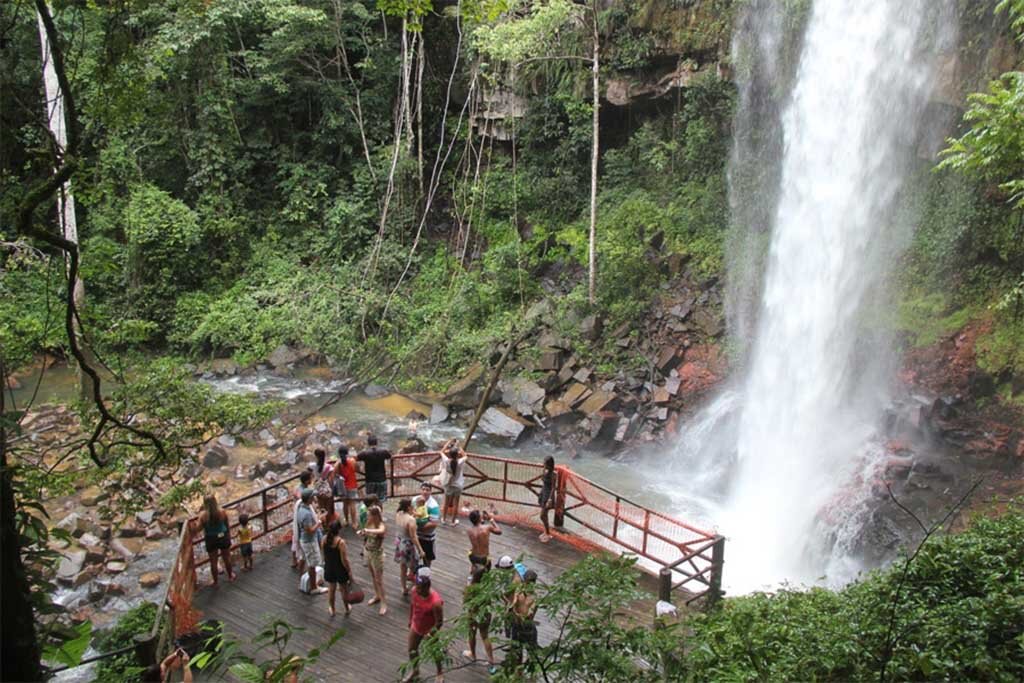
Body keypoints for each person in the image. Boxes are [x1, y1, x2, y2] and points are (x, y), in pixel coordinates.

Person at [404, 567, 444, 683]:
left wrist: (431, 633)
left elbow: (439, 622)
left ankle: (439, 672)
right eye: (417, 586)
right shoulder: (414, 591)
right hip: (416, 625)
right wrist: (410, 619)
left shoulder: (435, 602)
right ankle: (415, 671)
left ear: (427, 587)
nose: (417, 590)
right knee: (412, 649)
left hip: (430, 629)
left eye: (420, 588)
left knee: (435, 651)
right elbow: (412, 605)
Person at [462, 565, 497, 674]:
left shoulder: (471, 587)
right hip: (485, 613)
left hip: (473, 614)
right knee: (485, 636)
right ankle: (491, 660)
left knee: (472, 633)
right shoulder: (488, 586)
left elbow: (466, 601)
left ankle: (473, 654)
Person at [195, 495, 235, 585]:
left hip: (211, 539)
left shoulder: (203, 516)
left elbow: (198, 529)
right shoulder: (222, 512)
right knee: (226, 558)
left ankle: (216, 582)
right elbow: (227, 525)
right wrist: (229, 536)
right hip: (223, 536)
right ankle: (230, 576)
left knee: (213, 561)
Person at [357, 504, 388, 615]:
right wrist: (363, 533)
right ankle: (377, 595)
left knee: (379, 580)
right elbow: (366, 534)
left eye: (369, 515)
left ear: (375, 516)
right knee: (373, 576)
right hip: (368, 551)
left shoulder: (381, 525)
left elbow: (380, 531)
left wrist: (368, 531)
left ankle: (384, 603)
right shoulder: (368, 523)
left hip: (377, 554)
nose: (367, 516)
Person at [506, 569, 539, 673]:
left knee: (532, 655)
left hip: (527, 627)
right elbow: (511, 606)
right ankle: (518, 674)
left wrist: (514, 612)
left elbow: (530, 614)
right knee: (517, 654)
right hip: (517, 626)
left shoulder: (533, 597)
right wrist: (511, 607)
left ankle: (530, 675)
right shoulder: (518, 593)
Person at [296, 489, 327, 594]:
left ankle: (301, 580)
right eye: (312, 497)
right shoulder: (306, 514)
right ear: (309, 499)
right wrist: (319, 522)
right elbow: (310, 530)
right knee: (312, 564)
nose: (314, 498)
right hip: (309, 541)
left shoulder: (301, 508)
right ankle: (314, 587)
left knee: (304, 559)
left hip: (303, 540)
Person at [322, 520, 354, 617]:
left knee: (332, 588)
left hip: (329, 566)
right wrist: (349, 570)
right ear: (339, 530)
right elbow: (344, 559)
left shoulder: (324, 539)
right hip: (339, 568)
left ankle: (332, 608)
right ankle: (347, 608)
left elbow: (323, 554)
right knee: (344, 589)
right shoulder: (340, 542)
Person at [394, 498, 425, 597]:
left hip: (399, 542)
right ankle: (418, 588)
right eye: (412, 505)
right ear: (408, 507)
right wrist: (420, 550)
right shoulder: (411, 520)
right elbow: (413, 537)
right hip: (407, 545)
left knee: (403, 567)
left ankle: (404, 588)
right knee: (414, 568)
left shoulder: (398, 514)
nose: (413, 506)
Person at [412, 482, 441, 568]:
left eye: (427, 490)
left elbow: (434, 523)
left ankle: (426, 573)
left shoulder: (433, 505)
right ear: (420, 490)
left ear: (431, 492)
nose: (425, 492)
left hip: (427, 536)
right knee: (413, 555)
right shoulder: (414, 500)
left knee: (428, 557)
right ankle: (412, 573)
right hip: (415, 535)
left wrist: (418, 528)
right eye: (423, 489)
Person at [438, 443, 467, 526]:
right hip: (458, 485)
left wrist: (448, 443)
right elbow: (465, 455)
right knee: (456, 504)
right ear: (457, 455)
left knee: (446, 503)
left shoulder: (446, 460)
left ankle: (443, 519)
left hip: (448, 485)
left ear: (449, 455)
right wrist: (460, 447)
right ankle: (453, 521)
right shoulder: (460, 461)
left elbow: (441, 451)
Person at [357, 434, 392, 502]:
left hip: (370, 480)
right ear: (377, 442)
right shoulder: (383, 451)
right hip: (381, 479)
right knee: (381, 500)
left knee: (370, 500)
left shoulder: (365, 453)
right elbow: (390, 456)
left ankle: (372, 512)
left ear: (368, 443)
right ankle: (379, 511)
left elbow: (357, 457)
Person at [291, 470, 314, 570]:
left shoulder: (297, 487)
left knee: (295, 537)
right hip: (302, 516)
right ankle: (301, 561)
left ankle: (294, 560)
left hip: (296, 514)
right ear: (306, 481)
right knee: (301, 537)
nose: (311, 480)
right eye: (310, 478)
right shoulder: (304, 492)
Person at [335, 445, 359, 530]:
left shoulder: (338, 463)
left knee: (345, 504)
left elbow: (336, 473)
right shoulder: (352, 461)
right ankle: (354, 523)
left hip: (343, 487)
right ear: (347, 453)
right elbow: (357, 469)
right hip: (352, 485)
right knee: (352, 504)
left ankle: (346, 521)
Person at [538, 455, 556, 543]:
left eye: (544, 463)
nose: (543, 464)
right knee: (544, 515)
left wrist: (550, 499)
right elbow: (542, 480)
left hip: (548, 495)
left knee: (542, 515)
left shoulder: (553, 474)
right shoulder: (545, 471)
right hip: (543, 493)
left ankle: (548, 533)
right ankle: (546, 531)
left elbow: (553, 487)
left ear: (549, 464)